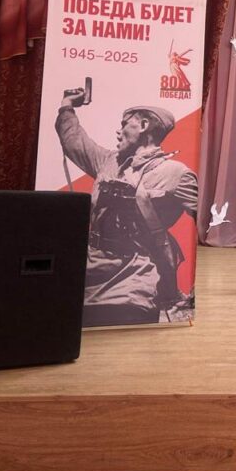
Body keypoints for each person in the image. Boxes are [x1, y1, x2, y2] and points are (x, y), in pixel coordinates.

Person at [56, 93, 197, 326]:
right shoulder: (108, 162)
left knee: (126, 331)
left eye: (124, 125)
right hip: (91, 272)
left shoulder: (176, 173)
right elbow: (74, 141)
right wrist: (67, 107)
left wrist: (196, 293)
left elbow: (211, 222)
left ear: (144, 125)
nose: (118, 131)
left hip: (134, 277)